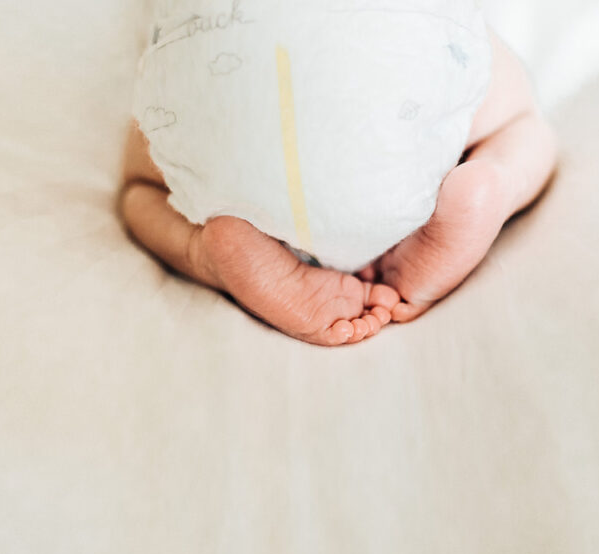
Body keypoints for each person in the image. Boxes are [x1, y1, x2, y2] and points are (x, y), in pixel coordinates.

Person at [120, 24, 557, 346]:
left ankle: (208, 250)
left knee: (142, 191)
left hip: (239, 70)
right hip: (406, 58)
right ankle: (492, 178)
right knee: (521, 123)